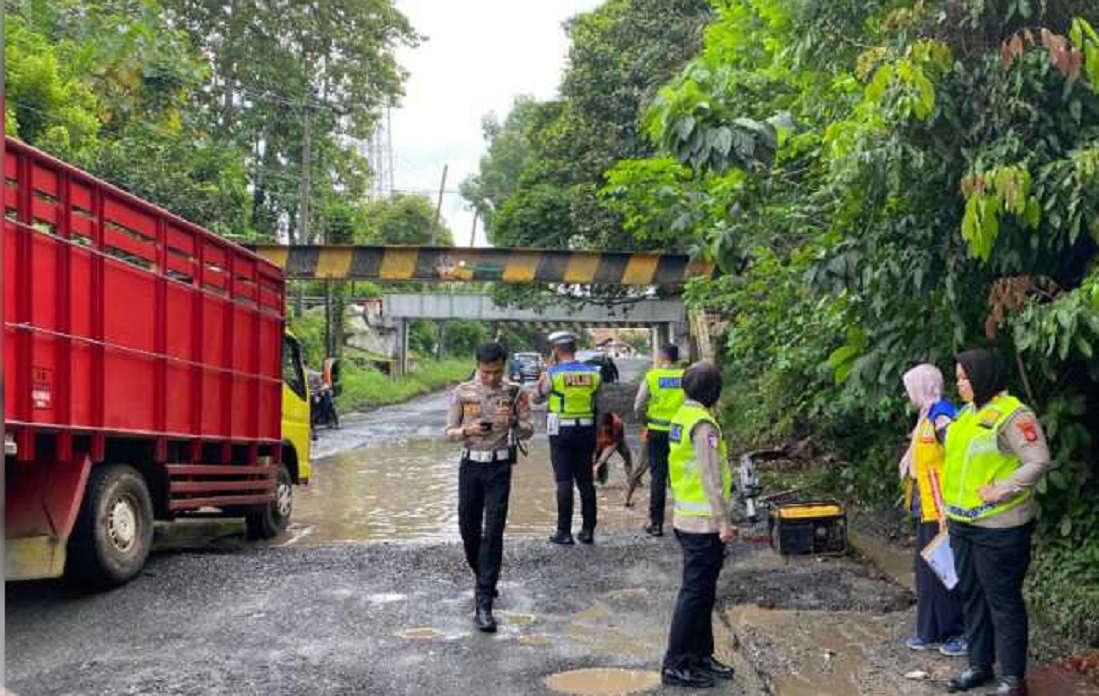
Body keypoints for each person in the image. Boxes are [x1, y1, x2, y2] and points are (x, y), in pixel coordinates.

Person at [943, 349, 1050, 696]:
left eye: (965, 378)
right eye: (957, 378)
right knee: (971, 595)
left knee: (1002, 600)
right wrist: (948, 513)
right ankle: (979, 665)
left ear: (984, 377)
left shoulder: (1014, 415)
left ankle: (1012, 678)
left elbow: (1038, 461)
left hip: (1001, 527)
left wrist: (1002, 489)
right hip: (962, 524)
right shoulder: (966, 415)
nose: (960, 384)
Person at [444, 342, 534, 633]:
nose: (491, 378)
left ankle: (484, 602)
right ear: (478, 367)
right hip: (470, 466)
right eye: (486, 373)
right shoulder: (462, 392)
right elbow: (448, 432)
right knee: (468, 531)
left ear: (504, 366)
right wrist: (466, 431)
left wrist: (515, 424)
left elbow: (529, 429)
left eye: (497, 372)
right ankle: (483, 575)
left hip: (499, 467)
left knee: (493, 533)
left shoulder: (515, 392)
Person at [661, 361, 736, 689]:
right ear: (713, 392)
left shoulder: (681, 416)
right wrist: (725, 522)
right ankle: (676, 662)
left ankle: (701, 655)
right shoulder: (704, 425)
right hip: (702, 523)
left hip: (686, 518)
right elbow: (711, 479)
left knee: (704, 593)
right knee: (694, 594)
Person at [898, 364, 966, 656]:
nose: (907, 393)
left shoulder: (942, 415)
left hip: (941, 509)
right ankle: (930, 631)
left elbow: (957, 458)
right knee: (927, 571)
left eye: (911, 386)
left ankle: (958, 633)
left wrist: (949, 507)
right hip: (925, 506)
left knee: (945, 570)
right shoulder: (926, 415)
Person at [536, 330, 602, 546]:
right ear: (575, 350)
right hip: (586, 430)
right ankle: (588, 530)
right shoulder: (593, 372)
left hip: (561, 433)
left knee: (564, 481)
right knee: (585, 481)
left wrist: (547, 371)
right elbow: (598, 404)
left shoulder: (553, 373)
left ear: (555, 350)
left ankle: (564, 532)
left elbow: (538, 397)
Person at [634, 344, 686, 537]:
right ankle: (685, 523)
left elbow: (638, 406)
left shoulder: (652, 376)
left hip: (656, 433)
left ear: (663, 357)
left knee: (658, 478)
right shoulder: (687, 376)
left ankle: (656, 524)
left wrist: (646, 422)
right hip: (681, 432)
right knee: (681, 476)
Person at [592, 412, 634, 486]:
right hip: (603, 439)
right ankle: (599, 479)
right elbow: (596, 447)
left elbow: (613, 446)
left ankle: (631, 479)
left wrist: (599, 463)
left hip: (617, 441)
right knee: (597, 458)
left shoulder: (618, 424)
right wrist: (595, 464)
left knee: (627, 455)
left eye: (608, 428)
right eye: (605, 427)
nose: (606, 428)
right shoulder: (598, 426)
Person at [624, 426, 649, 507]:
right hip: (651, 434)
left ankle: (627, 499)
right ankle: (627, 499)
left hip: (650, 433)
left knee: (639, 468)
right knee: (639, 468)